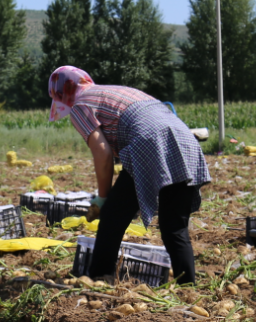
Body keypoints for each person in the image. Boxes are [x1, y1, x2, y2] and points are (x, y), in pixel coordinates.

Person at [48, 66, 209, 285]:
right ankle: (188, 287)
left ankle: (99, 279)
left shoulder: (80, 105)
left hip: (148, 145)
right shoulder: (116, 90)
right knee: (174, 227)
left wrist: (103, 198)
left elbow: (103, 154)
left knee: (112, 217)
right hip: (186, 141)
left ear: (62, 94)